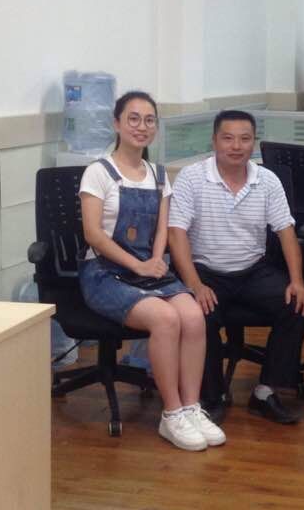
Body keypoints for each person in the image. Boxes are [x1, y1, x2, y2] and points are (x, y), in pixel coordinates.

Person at [78, 90, 224, 452]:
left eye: (149, 120)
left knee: (193, 316)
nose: (141, 127)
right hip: (105, 273)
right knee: (165, 319)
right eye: (133, 118)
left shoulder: (158, 175)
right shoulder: (98, 172)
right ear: (116, 123)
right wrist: (139, 265)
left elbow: (163, 228)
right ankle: (171, 413)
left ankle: (191, 407)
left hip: (149, 268)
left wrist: (157, 260)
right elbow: (93, 234)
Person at [168, 109, 304, 425]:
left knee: (297, 303)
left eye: (245, 139)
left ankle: (265, 391)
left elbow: (286, 232)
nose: (236, 146)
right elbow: (176, 234)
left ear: (254, 142)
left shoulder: (267, 180)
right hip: (205, 270)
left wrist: (297, 281)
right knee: (198, 316)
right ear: (214, 141)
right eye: (228, 138)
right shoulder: (192, 178)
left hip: (253, 270)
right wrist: (194, 284)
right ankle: (213, 395)